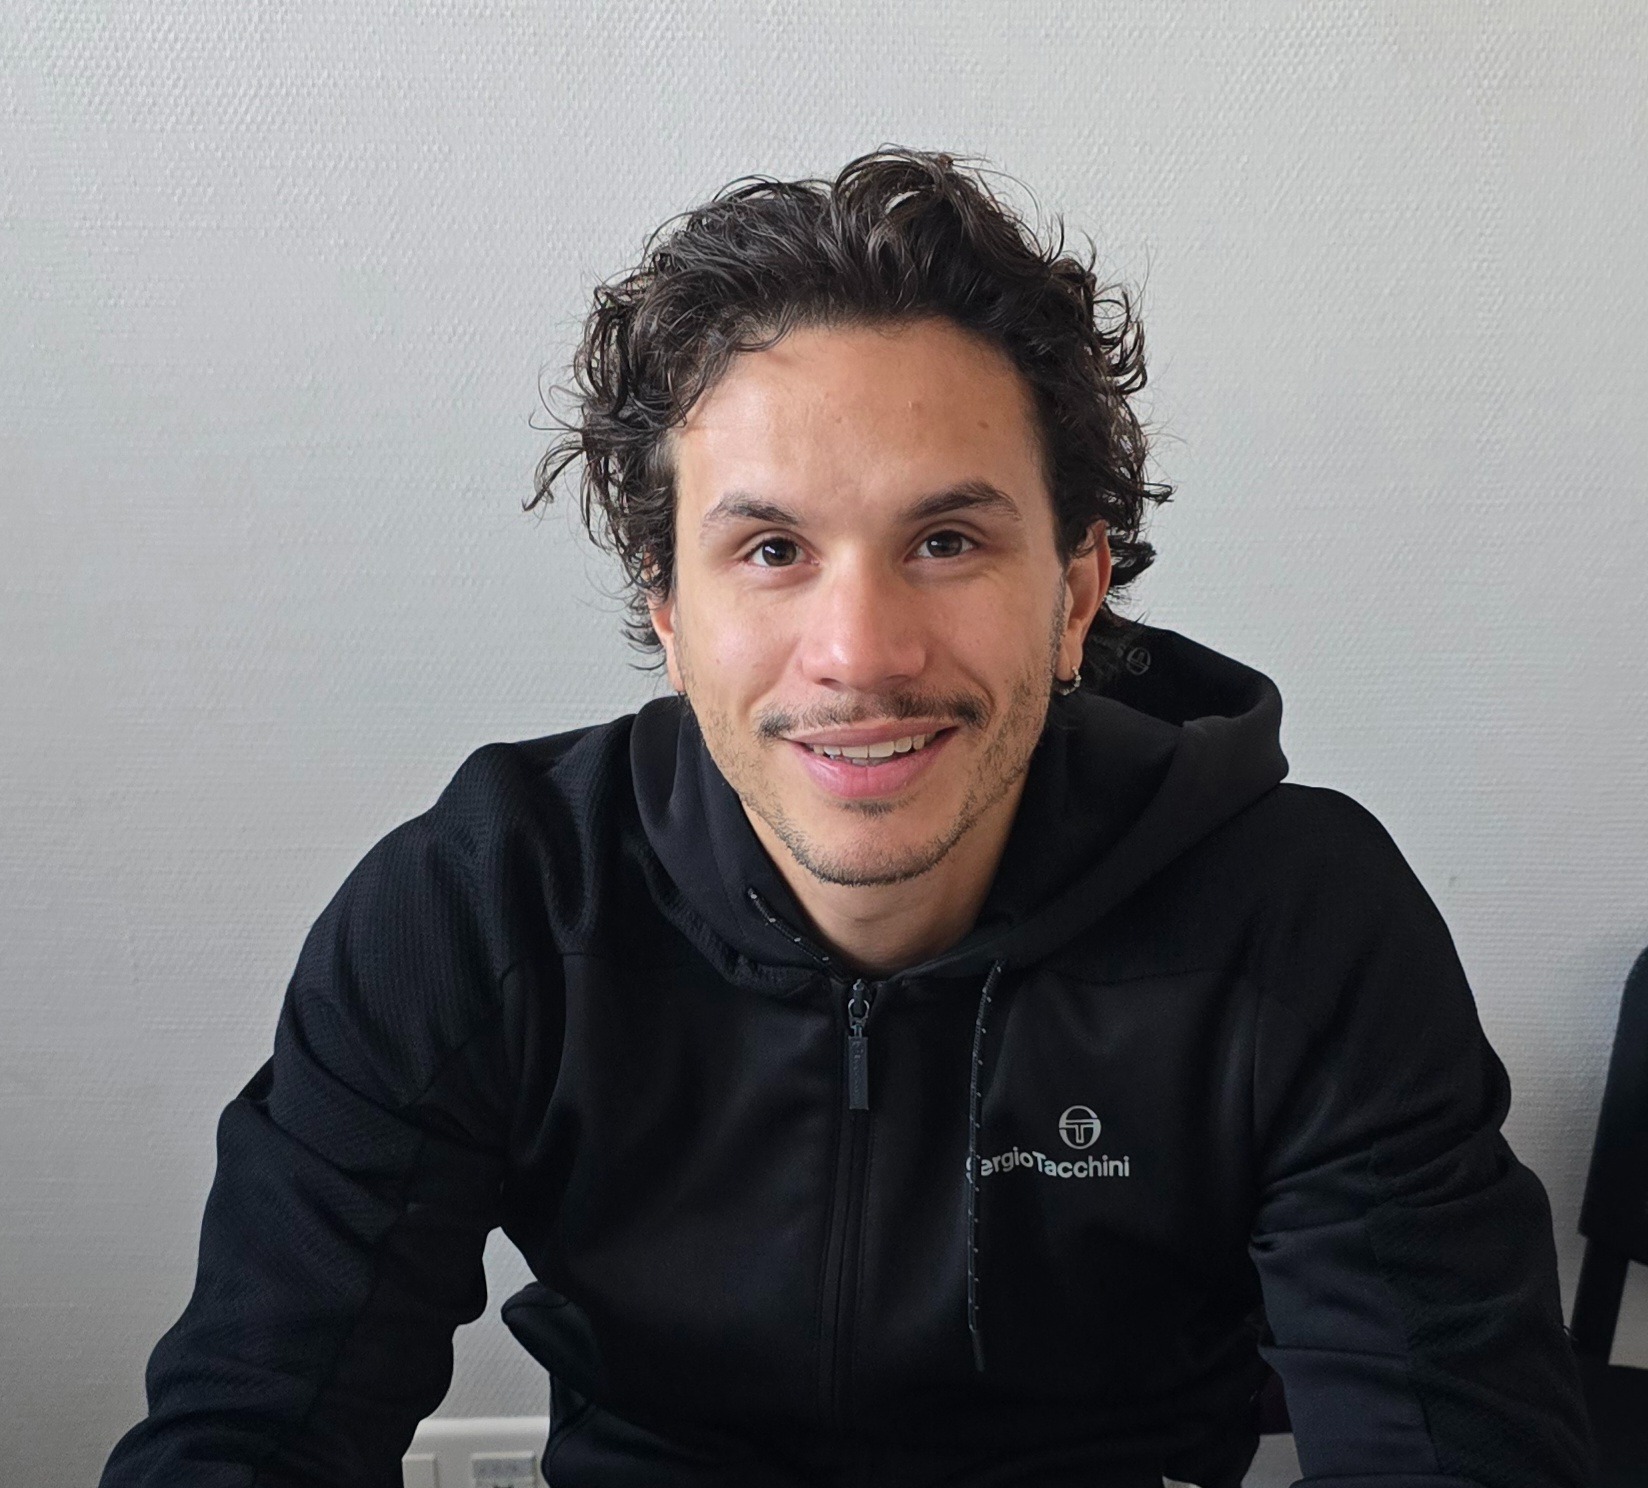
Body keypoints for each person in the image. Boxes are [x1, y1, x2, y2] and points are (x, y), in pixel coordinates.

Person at [101, 149, 1592, 1488]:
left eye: (945, 539)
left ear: (1078, 592)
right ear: (668, 613)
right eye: (771, 549)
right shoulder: (481, 907)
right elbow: (253, 1426)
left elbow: (1458, 1447)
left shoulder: (1300, 920)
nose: (860, 653)